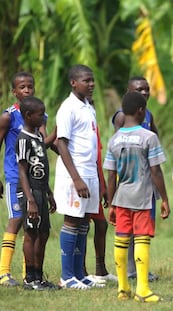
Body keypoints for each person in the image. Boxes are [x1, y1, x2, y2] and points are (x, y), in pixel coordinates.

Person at [104, 91, 170, 302]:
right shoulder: (148, 137)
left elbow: (111, 175)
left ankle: (123, 288)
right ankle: (142, 289)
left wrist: (112, 204)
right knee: (141, 239)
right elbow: (156, 171)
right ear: (142, 111)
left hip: (121, 198)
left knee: (121, 239)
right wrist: (165, 199)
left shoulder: (114, 139)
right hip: (142, 198)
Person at [0, 72, 54, 287]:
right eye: (22, 87)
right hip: (16, 177)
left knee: (34, 227)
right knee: (16, 221)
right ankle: (4, 273)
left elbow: (42, 142)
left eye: (30, 86)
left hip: (36, 181)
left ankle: (29, 274)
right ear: (14, 91)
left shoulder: (40, 115)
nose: (27, 90)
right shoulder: (8, 116)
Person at [54, 64, 103, 289]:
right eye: (86, 80)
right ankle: (66, 276)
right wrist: (76, 178)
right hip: (76, 174)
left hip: (89, 171)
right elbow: (60, 143)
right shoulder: (68, 108)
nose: (91, 84)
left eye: (92, 80)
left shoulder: (88, 107)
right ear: (73, 83)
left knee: (84, 221)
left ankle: (79, 273)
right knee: (73, 220)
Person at [112, 76, 159, 282]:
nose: (145, 93)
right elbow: (118, 148)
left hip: (146, 181)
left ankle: (140, 269)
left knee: (144, 227)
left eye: (147, 89)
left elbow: (155, 138)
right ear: (128, 92)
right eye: (139, 89)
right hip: (130, 182)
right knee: (128, 230)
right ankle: (130, 270)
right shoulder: (122, 116)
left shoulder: (147, 114)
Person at [15, 96, 58, 290]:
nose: (43, 117)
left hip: (41, 191)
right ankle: (29, 279)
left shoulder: (38, 137)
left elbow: (41, 167)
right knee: (31, 233)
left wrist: (48, 193)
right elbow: (23, 172)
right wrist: (30, 200)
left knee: (44, 233)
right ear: (28, 115)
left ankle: (39, 277)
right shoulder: (23, 139)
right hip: (29, 192)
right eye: (41, 115)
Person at [82, 96, 117, 283]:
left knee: (101, 224)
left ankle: (100, 269)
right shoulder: (82, 128)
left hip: (95, 180)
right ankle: (81, 270)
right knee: (83, 225)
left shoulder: (94, 128)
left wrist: (103, 186)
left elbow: (97, 160)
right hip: (83, 179)